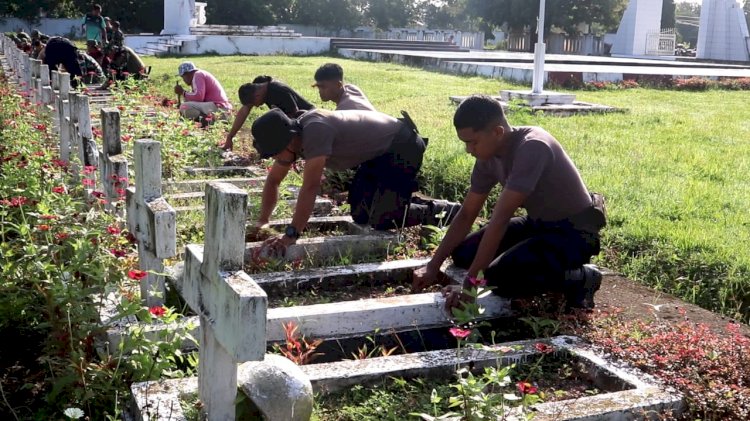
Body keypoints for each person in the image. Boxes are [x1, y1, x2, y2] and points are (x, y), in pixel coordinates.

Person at [411, 95, 605, 314]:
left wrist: (469, 288)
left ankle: (582, 277)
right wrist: (432, 265)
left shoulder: (533, 147)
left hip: (574, 232)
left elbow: (500, 219)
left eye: (472, 142)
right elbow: (467, 213)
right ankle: (528, 260)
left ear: (497, 132)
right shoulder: (488, 156)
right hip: (537, 224)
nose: (468, 150)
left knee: (498, 278)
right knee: (463, 254)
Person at [249, 108, 460, 254]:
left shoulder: (315, 131)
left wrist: (291, 234)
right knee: (360, 214)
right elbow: (273, 180)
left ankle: (443, 210)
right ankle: (402, 201)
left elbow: (310, 186)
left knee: (383, 219)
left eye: (276, 154)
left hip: (401, 146)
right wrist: (263, 220)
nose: (277, 159)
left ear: (289, 140)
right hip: (375, 156)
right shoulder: (295, 139)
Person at [222, 75, 315, 151]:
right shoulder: (258, 87)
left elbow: (296, 115)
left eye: (254, 104)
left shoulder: (279, 92)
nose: (257, 106)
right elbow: (244, 111)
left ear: (257, 96)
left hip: (308, 120)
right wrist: (230, 137)